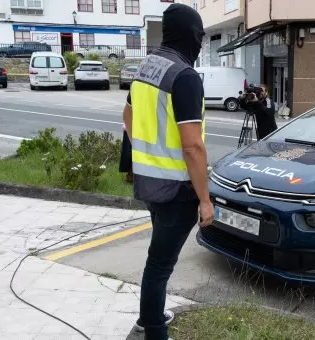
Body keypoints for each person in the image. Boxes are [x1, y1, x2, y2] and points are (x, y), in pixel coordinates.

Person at [122, 4, 213, 340]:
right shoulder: (184, 76)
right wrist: (205, 200)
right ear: (191, 35)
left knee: (158, 259)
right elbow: (193, 147)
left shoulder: (146, 68)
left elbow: (127, 116)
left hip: (151, 185)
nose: (201, 42)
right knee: (159, 265)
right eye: (200, 35)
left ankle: (153, 314)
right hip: (178, 190)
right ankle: (154, 331)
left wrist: (145, 154)